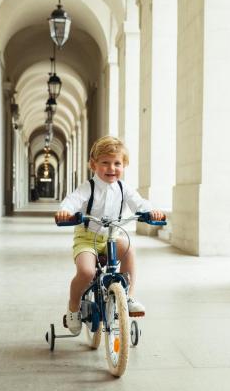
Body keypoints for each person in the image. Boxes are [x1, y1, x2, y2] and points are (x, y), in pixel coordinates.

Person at [55, 136, 165, 334]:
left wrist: (151, 212)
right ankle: (73, 306)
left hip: (112, 237)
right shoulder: (88, 187)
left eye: (117, 163)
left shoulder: (124, 188)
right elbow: (72, 200)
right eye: (105, 163)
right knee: (87, 272)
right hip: (87, 238)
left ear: (124, 166)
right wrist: (66, 211)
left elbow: (140, 203)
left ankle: (128, 297)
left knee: (129, 250)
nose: (111, 168)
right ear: (93, 164)